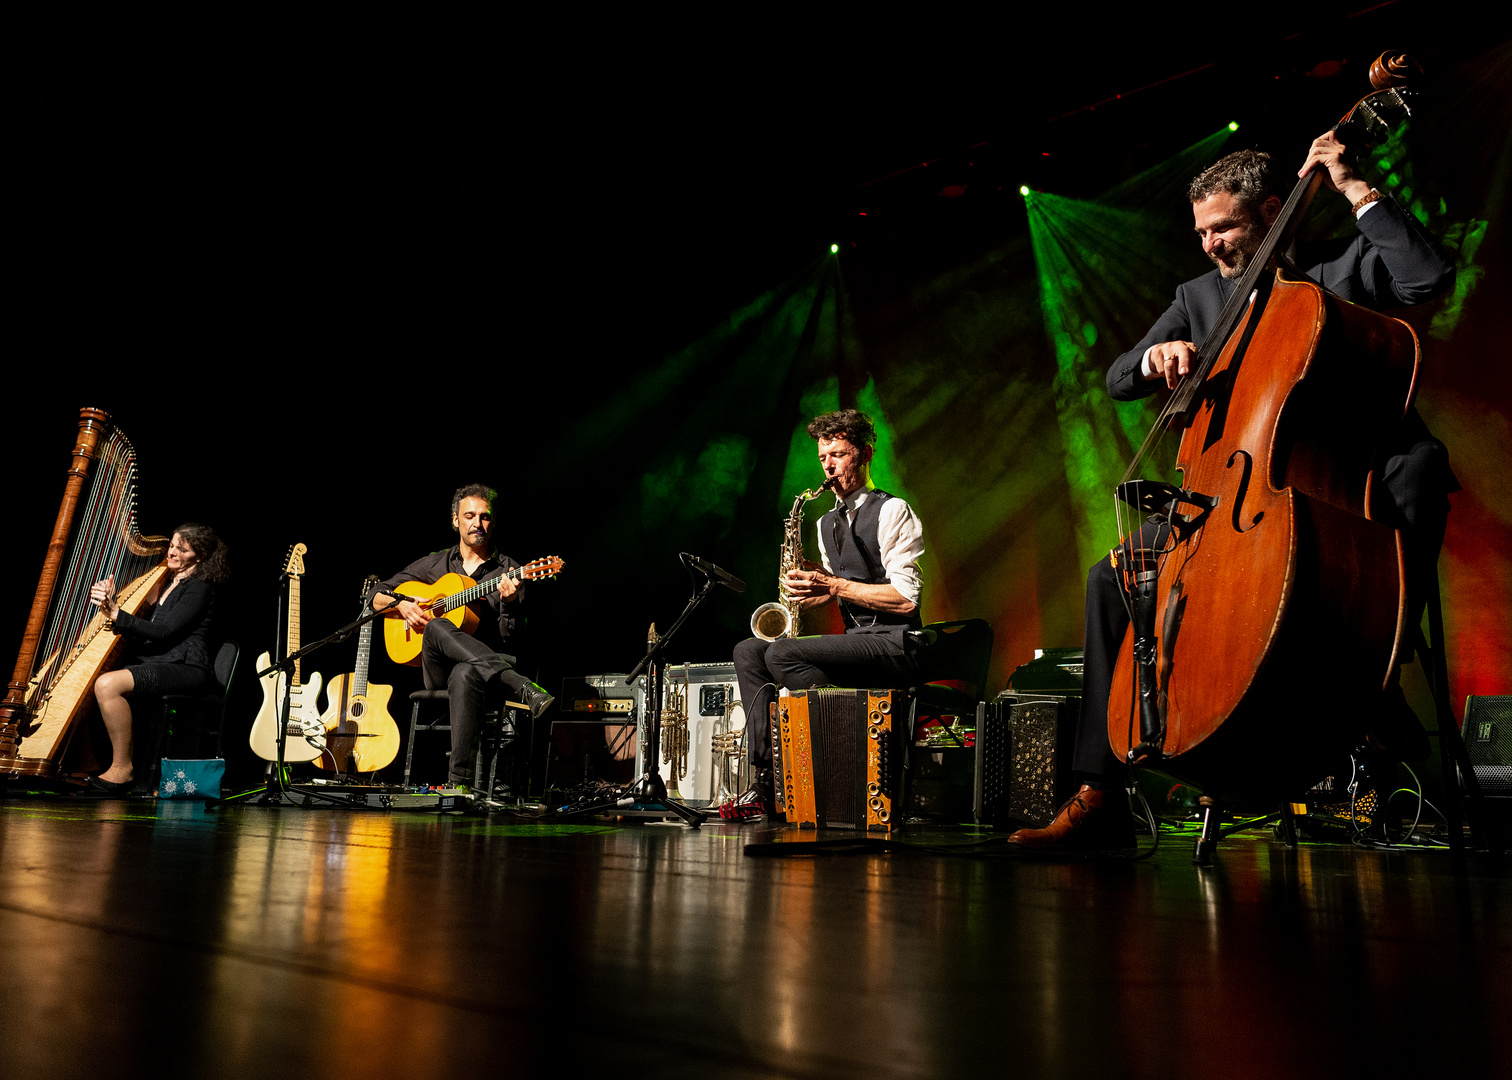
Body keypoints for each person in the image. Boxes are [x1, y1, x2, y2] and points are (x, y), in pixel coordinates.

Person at [1009, 134, 1457, 848]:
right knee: (1110, 578)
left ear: (1273, 212)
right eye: (1202, 232)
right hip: (1239, 493)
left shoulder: (1345, 265)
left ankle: (1378, 667)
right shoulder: (1200, 297)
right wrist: (1154, 357)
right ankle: (1100, 793)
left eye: (1225, 227)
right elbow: (1119, 377)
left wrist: (1355, 188)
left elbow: (1428, 279)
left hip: (1344, 479)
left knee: (1421, 464)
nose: (1211, 245)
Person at [729, 409, 927, 818]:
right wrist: (814, 589)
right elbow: (845, 588)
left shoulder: (893, 511)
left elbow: (907, 600)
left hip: (897, 643)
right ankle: (766, 777)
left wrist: (833, 585)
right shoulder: (824, 524)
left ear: (865, 454)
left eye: (838, 455)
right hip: (858, 643)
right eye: (823, 458)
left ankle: (838, 755)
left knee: (782, 654)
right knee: (749, 650)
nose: (829, 467)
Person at [370, 484, 553, 789]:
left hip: (488, 675)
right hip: (437, 670)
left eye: (485, 516)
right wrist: (402, 605)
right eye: (470, 516)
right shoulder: (436, 563)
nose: (477, 523)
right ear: (455, 520)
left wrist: (509, 603)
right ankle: (522, 686)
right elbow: (374, 596)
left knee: (465, 671)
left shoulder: (509, 570)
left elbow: (513, 641)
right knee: (436, 627)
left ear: (492, 522)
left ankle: (459, 785)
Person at [84, 523, 230, 795]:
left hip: (186, 666)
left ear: (199, 557)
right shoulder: (167, 581)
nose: (172, 552)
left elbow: (164, 632)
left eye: (182, 550)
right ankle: (87, 763)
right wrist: (113, 604)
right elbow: (146, 632)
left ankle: (122, 769)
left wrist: (117, 613)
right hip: (160, 660)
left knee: (107, 685)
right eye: (172, 546)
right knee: (89, 680)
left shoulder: (199, 587)